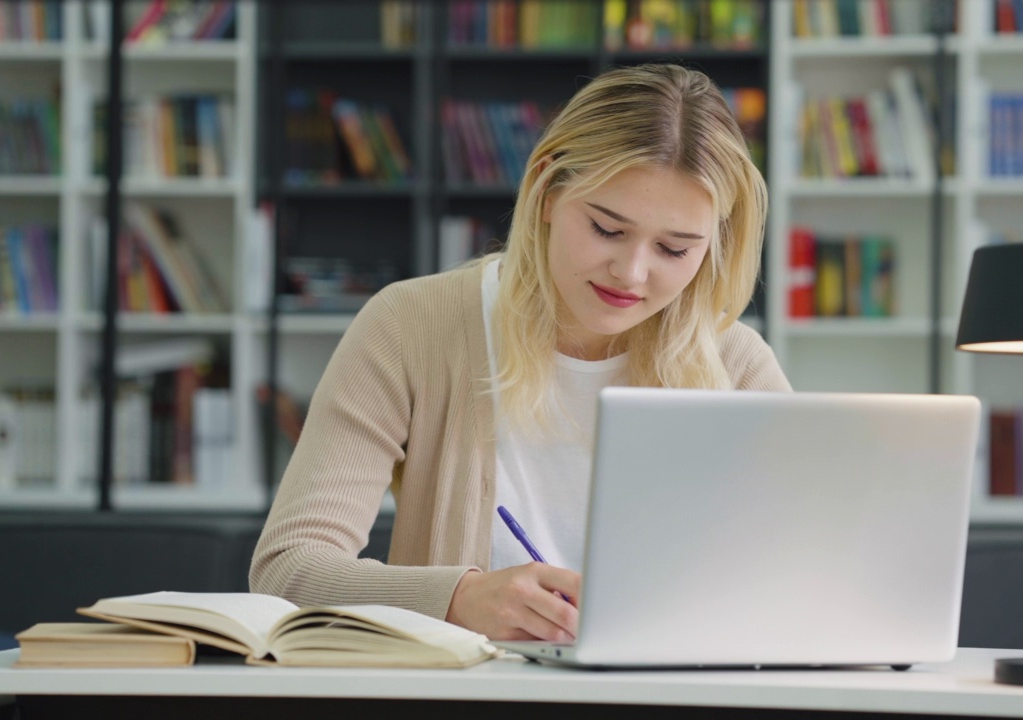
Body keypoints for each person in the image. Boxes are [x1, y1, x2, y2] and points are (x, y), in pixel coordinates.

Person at [250, 63, 792, 645]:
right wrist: (457, 599)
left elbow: (813, 573)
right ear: (547, 191)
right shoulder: (412, 327)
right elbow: (287, 568)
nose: (632, 273)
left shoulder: (735, 365)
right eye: (607, 229)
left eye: (675, 248)